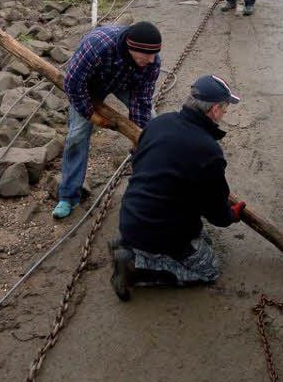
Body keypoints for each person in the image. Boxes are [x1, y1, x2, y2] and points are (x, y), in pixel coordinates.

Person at [109, 74, 246, 301]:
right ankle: (134, 268)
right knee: (209, 269)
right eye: (224, 108)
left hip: (132, 215)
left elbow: (138, 160)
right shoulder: (208, 150)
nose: (225, 113)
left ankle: (127, 243)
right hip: (160, 230)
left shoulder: (160, 122)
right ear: (214, 110)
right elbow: (216, 214)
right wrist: (231, 215)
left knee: (204, 240)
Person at [52, 21, 162, 219]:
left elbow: (142, 100)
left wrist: (138, 137)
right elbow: (73, 84)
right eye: (148, 56)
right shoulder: (97, 46)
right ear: (131, 48)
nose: (153, 60)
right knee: (77, 134)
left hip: (123, 82)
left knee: (151, 126)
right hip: (89, 84)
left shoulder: (151, 62)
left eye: (155, 55)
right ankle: (68, 196)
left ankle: (148, 178)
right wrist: (92, 115)